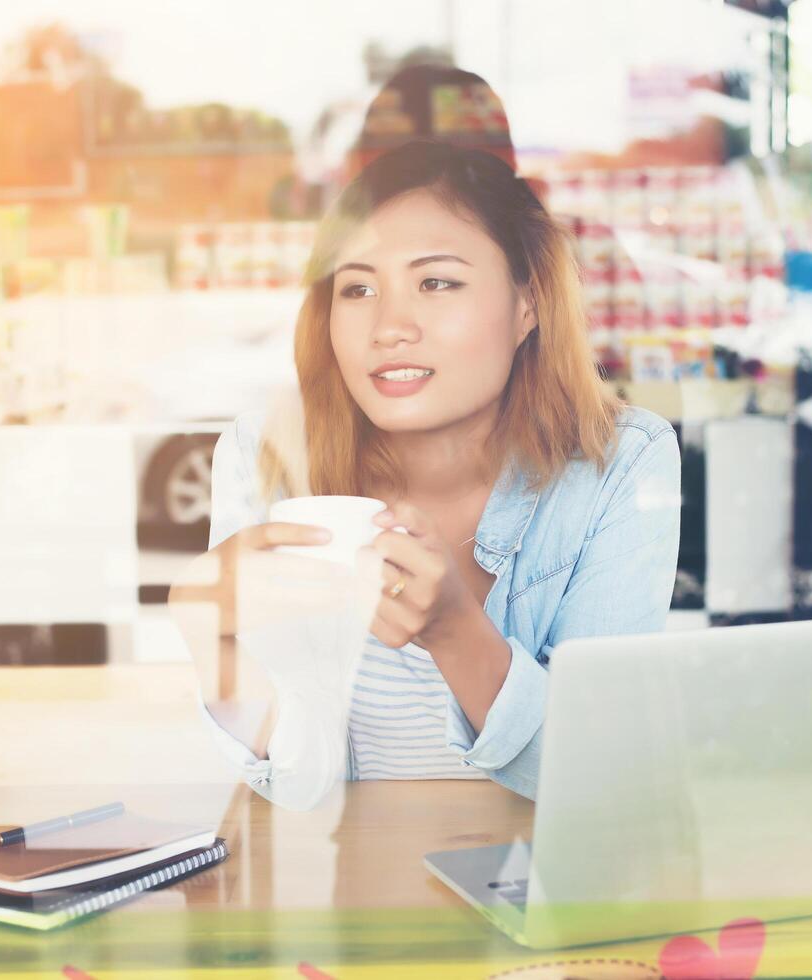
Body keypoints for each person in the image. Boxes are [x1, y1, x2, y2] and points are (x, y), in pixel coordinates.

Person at [190, 141, 681, 803]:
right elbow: (296, 776)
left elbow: (601, 774)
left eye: (436, 282)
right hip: (352, 889)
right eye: (358, 288)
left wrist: (453, 631)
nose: (390, 326)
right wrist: (208, 632)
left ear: (526, 303)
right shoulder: (267, 453)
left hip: (536, 893)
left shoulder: (616, 463)